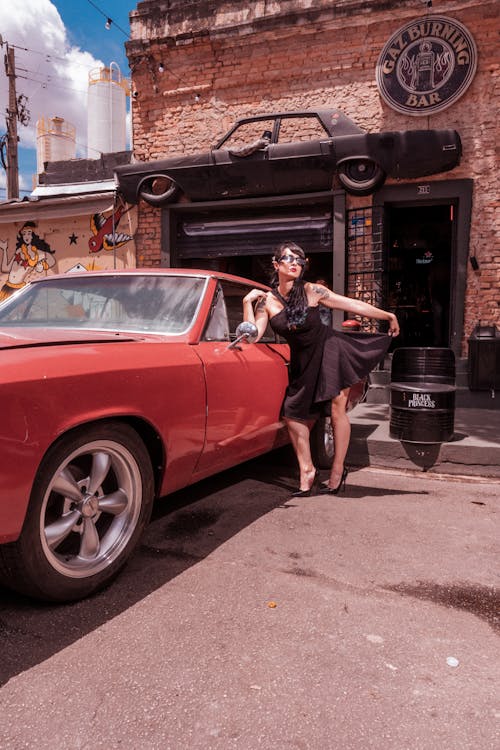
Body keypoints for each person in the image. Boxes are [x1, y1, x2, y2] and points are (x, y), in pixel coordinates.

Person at [243, 242, 400, 497]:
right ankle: (307, 470)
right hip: (303, 361)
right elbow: (251, 336)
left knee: (337, 410)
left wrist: (387, 315)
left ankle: (337, 469)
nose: (294, 263)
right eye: (288, 258)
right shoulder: (267, 301)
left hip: (331, 351)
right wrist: (247, 303)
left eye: (299, 259)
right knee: (292, 413)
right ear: (276, 264)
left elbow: (350, 304)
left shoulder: (312, 290)